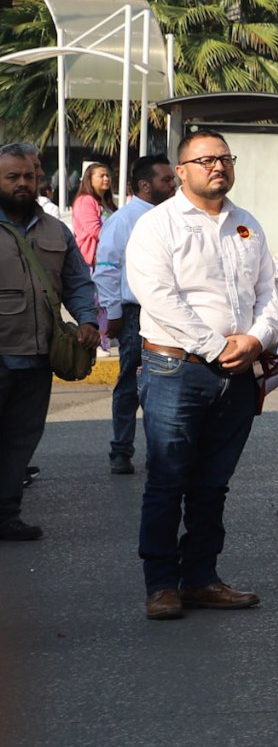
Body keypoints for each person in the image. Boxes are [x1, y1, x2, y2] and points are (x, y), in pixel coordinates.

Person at [124, 129, 274, 617]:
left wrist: (256, 339)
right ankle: (162, 584)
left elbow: (270, 293)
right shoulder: (157, 225)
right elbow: (158, 296)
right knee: (168, 479)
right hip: (177, 367)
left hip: (237, 369)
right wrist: (215, 347)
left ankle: (202, 577)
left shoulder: (246, 224)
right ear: (181, 172)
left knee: (213, 484)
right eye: (205, 159)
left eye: (224, 158)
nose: (218, 166)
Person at [0, 143, 99, 543]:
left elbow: (76, 281)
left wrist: (88, 320)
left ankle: (7, 515)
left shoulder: (55, 229)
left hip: (38, 358)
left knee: (21, 440)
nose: (23, 183)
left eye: (30, 176)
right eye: (12, 177)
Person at [96, 153, 175, 476]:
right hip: (133, 313)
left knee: (166, 384)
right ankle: (121, 450)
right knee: (131, 381)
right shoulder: (126, 219)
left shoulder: (172, 216)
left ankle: (163, 451)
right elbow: (106, 268)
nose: (173, 185)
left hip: (168, 311)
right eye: (166, 180)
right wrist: (112, 313)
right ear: (144, 185)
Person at [70, 161, 114, 264]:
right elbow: (95, 231)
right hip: (91, 261)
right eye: (101, 176)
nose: (106, 179)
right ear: (90, 180)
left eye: (108, 175)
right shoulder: (85, 200)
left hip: (108, 258)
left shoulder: (108, 203)